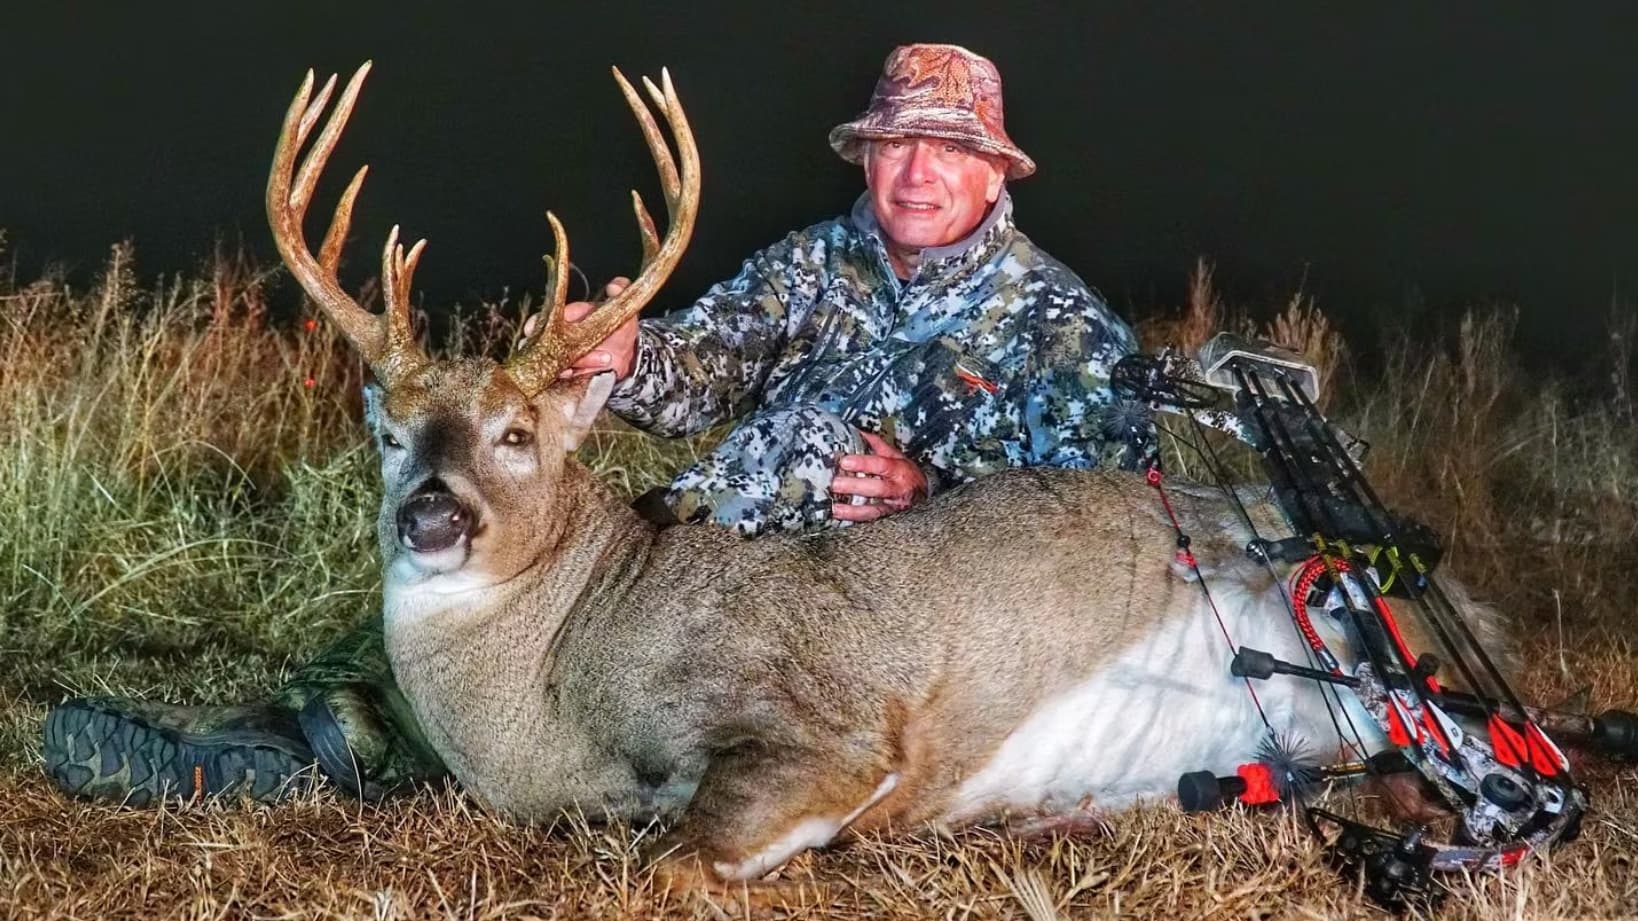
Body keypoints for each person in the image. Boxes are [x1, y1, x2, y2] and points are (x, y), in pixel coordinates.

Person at [42, 43, 1152, 805]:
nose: (918, 171)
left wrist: (936, 500)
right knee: (508, 611)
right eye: (898, 144)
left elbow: (1103, 521)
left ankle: (313, 750)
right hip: (710, 559)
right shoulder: (815, 266)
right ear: (864, 153)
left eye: (949, 149)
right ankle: (266, 738)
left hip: (875, 608)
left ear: (993, 168)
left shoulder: (1063, 327)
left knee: (599, 697)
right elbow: (704, 374)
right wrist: (628, 352)